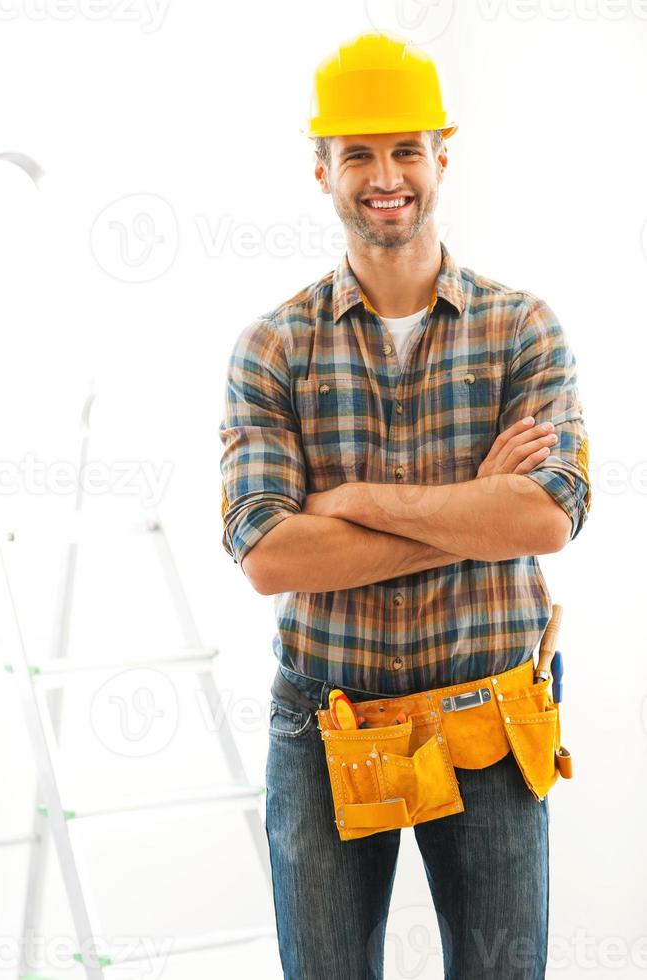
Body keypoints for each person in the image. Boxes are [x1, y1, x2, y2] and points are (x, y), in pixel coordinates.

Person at [219, 31, 591, 980]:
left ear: (441, 157)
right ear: (322, 171)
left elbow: (547, 517)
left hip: (491, 718)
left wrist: (358, 504)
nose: (385, 176)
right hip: (327, 724)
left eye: (404, 150)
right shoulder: (275, 348)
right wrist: (472, 512)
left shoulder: (523, 329)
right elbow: (268, 554)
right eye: (358, 155)